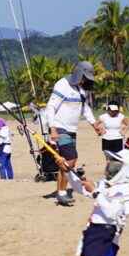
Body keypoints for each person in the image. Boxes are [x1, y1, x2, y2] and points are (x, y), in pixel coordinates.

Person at [57, 149, 129, 256]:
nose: (109, 164)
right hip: (94, 235)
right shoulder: (105, 184)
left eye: (114, 162)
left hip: (105, 237)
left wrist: (95, 192)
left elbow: (112, 213)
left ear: (124, 169)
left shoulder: (126, 189)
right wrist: (67, 171)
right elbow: (81, 188)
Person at [45, 61, 104, 206]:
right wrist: (52, 128)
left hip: (72, 129)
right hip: (60, 128)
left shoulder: (82, 89)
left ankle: (61, 192)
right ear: (78, 74)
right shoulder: (62, 84)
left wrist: (94, 124)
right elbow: (50, 107)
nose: (86, 81)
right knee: (70, 159)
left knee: (68, 161)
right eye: (85, 77)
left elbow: (85, 109)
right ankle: (62, 193)